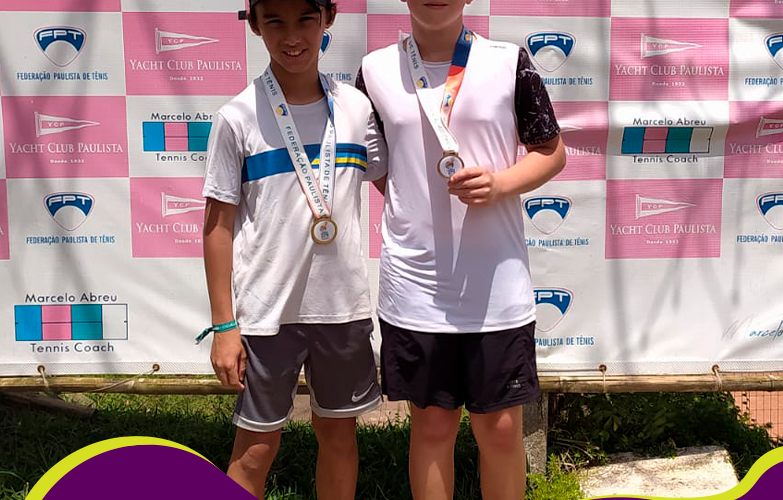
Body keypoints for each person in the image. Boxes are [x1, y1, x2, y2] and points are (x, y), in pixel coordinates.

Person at [356, 0, 566, 498]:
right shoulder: (374, 70)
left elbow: (551, 152)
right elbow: (379, 168)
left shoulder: (508, 62)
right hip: (416, 287)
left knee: (502, 430)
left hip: (496, 286)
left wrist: (499, 184)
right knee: (432, 427)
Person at [200, 0, 386, 498]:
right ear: (254, 25)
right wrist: (224, 327)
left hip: (342, 309)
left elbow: (398, 185)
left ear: (329, 18)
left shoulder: (357, 107)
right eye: (275, 22)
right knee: (255, 450)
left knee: (339, 437)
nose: (291, 36)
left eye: (305, 19)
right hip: (267, 315)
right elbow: (217, 227)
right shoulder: (237, 116)